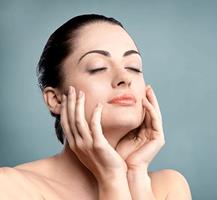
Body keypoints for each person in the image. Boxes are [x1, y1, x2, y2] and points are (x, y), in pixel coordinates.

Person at [0, 14, 192, 199]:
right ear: (56, 99)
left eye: (134, 67)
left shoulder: (169, 187)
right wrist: (112, 179)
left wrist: (135, 175)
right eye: (98, 67)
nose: (124, 78)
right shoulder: (11, 187)